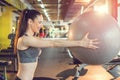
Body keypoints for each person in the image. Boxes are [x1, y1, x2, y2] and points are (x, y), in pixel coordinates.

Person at [14, 9, 99, 80]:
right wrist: (81, 43)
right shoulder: (24, 40)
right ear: (30, 22)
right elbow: (53, 43)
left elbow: (54, 40)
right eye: (39, 22)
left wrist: (76, 39)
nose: (41, 25)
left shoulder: (34, 38)